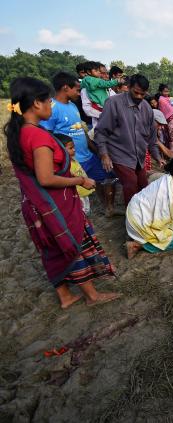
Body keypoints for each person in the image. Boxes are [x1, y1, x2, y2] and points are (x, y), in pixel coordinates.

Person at [4, 77, 120, 308]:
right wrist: (79, 180)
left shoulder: (20, 132)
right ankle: (92, 296)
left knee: (53, 248)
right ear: (37, 103)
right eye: (47, 101)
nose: (50, 106)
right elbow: (46, 177)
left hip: (38, 204)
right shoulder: (37, 136)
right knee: (72, 243)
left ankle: (65, 296)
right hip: (57, 204)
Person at [40, 72, 118, 217]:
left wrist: (98, 151)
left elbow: (81, 130)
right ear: (65, 88)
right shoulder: (52, 108)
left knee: (107, 177)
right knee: (76, 194)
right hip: (72, 161)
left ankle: (108, 208)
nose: (79, 92)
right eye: (76, 89)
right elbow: (47, 137)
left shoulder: (72, 106)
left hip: (88, 155)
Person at [94, 74, 165, 205]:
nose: (139, 97)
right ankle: (132, 217)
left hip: (139, 155)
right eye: (136, 92)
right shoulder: (113, 103)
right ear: (128, 87)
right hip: (119, 153)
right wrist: (104, 155)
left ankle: (142, 212)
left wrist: (157, 156)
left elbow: (151, 137)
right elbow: (101, 131)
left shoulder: (147, 108)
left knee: (143, 185)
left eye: (142, 94)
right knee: (131, 184)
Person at [60, 135, 94, 215]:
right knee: (81, 214)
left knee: (86, 212)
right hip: (77, 196)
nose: (74, 150)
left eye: (74, 147)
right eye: (71, 148)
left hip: (84, 193)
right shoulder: (66, 166)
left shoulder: (73, 159)